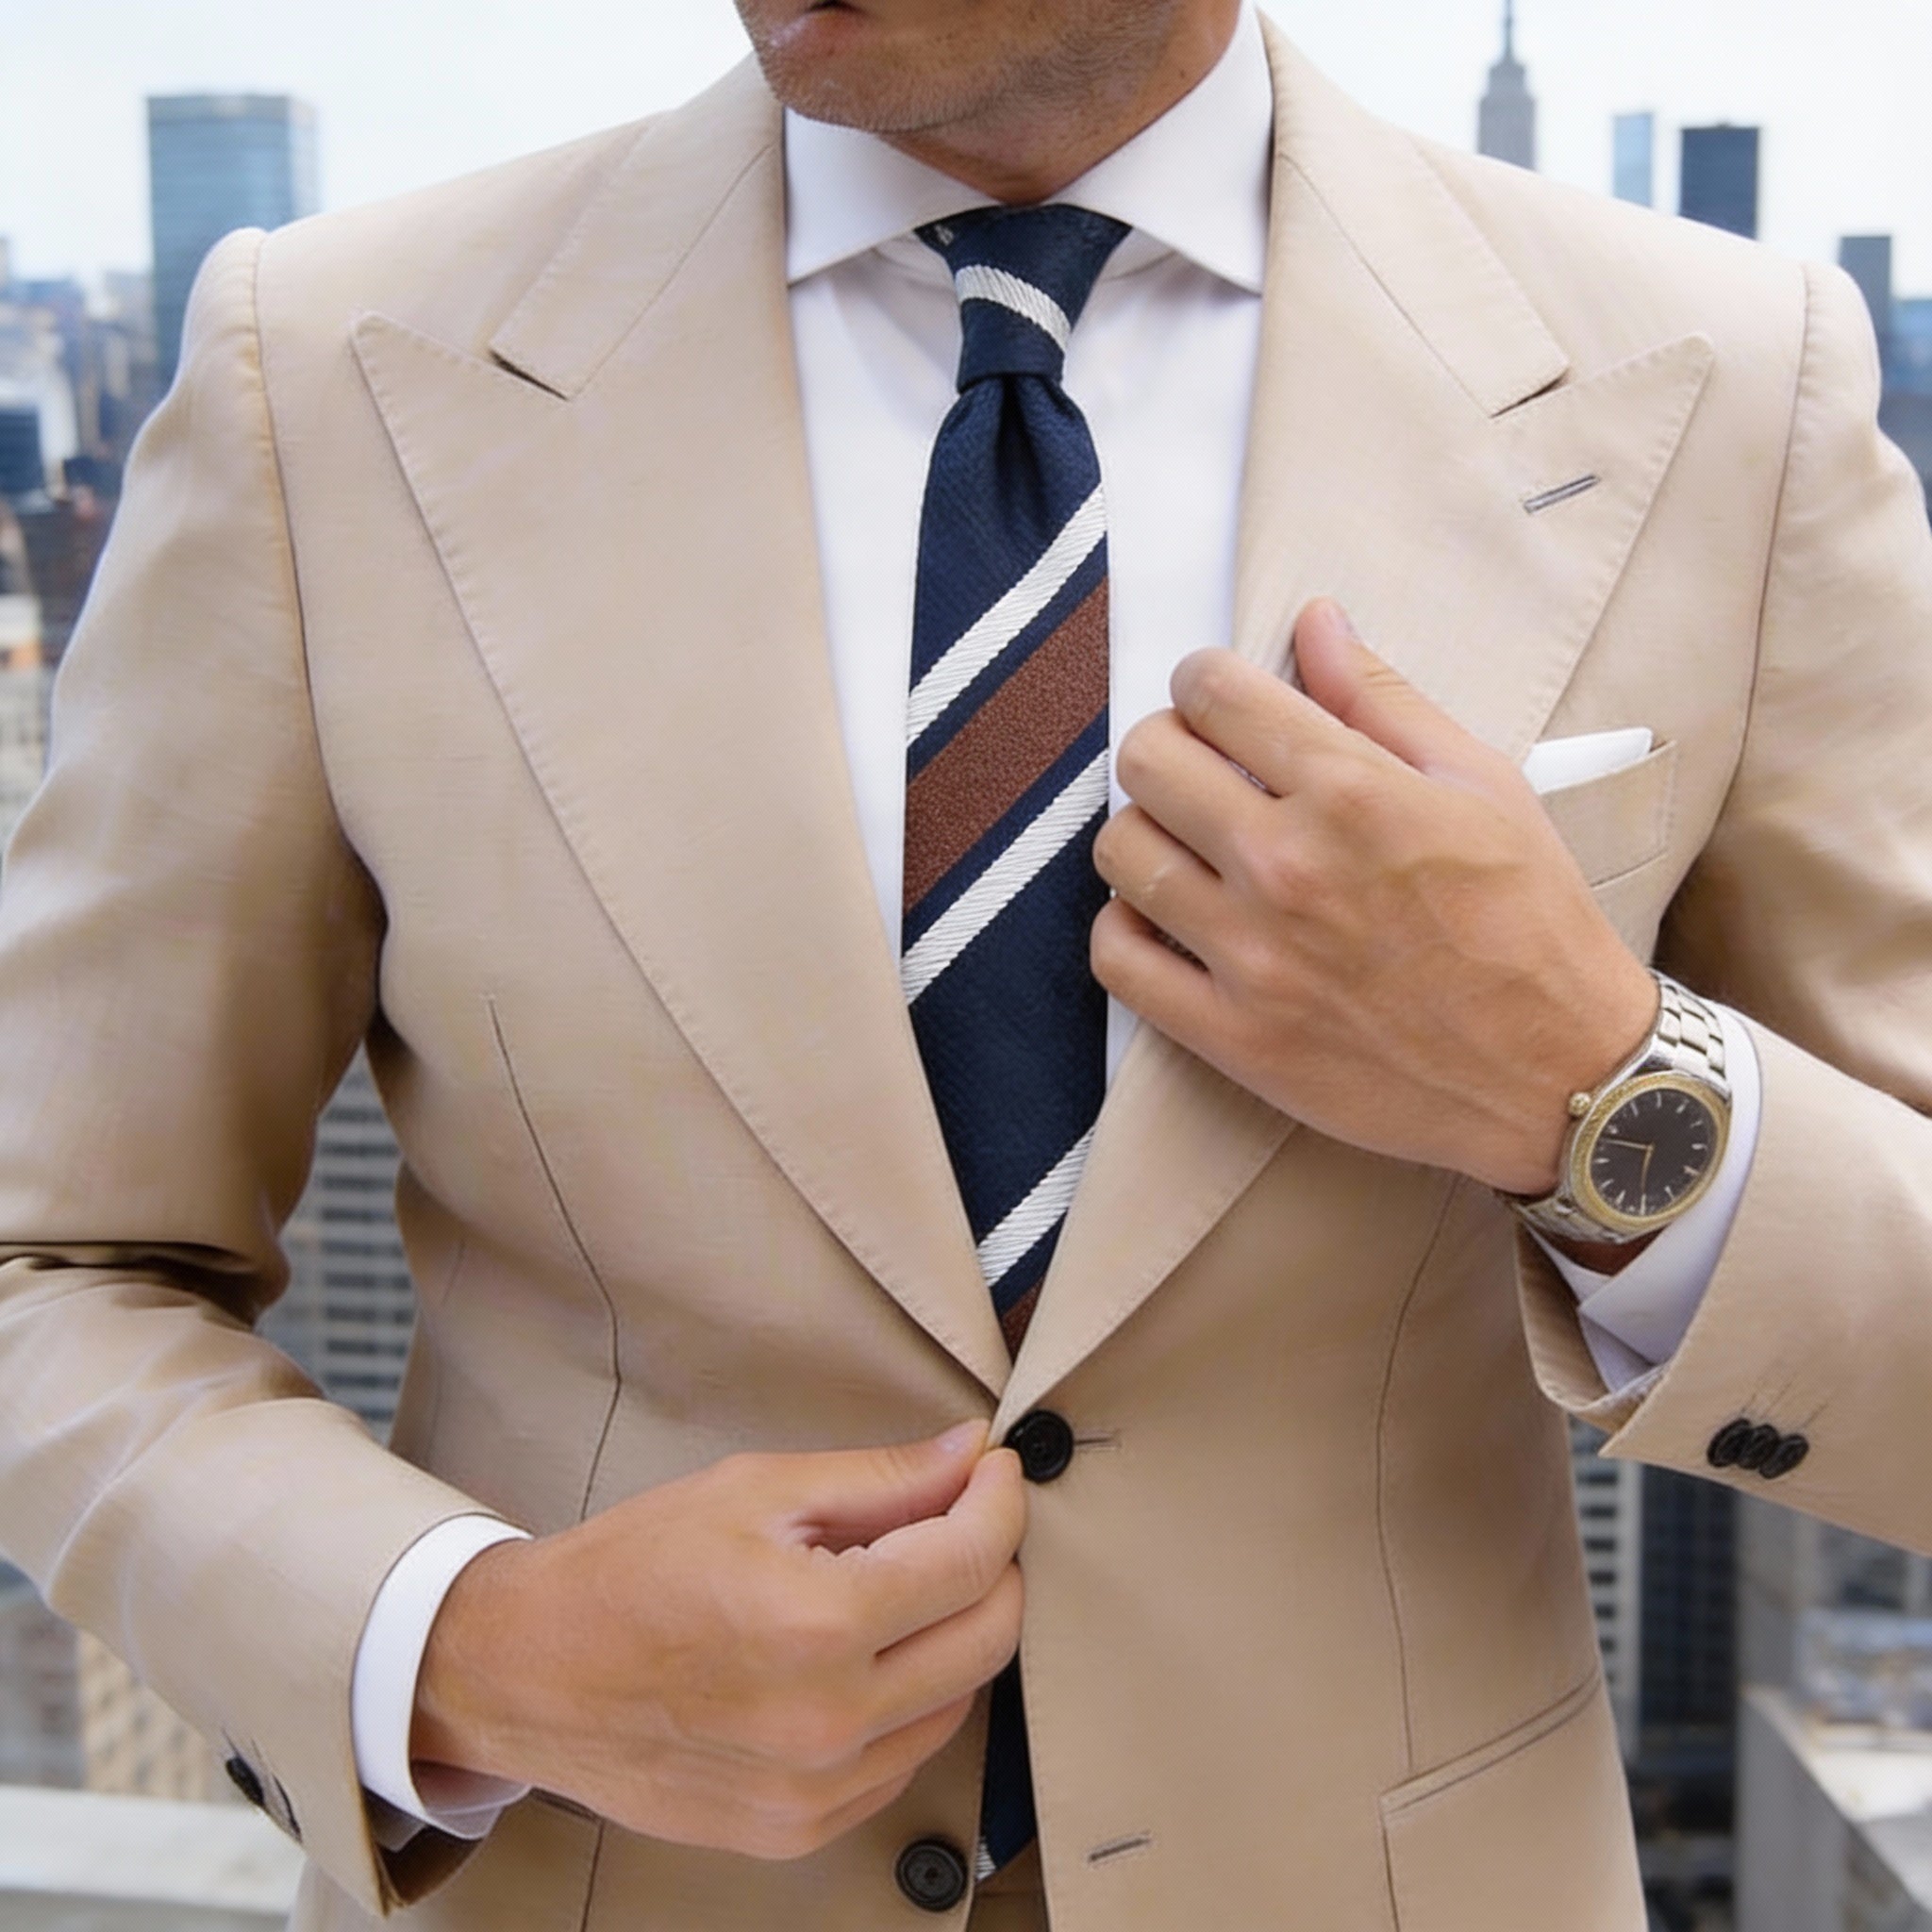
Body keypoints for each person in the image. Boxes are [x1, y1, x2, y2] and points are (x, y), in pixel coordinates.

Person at [1, 0, 1928, 1925]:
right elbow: (52, 1256)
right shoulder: (325, 373)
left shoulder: (1725, 390)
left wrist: (1594, 1087)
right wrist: (461, 1647)